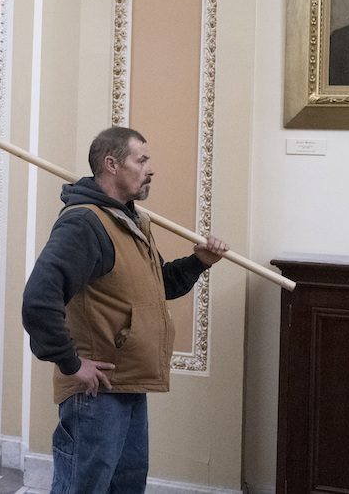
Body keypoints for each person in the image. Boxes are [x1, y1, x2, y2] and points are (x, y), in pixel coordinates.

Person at [21, 126, 229, 493]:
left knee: (125, 487)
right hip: (95, 392)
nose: (150, 168)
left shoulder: (132, 221)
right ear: (112, 164)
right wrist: (71, 363)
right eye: (142, 159)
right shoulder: (85, 223)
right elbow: (39, 300)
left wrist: (199, 262)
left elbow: (155, 287)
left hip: (129, 383)